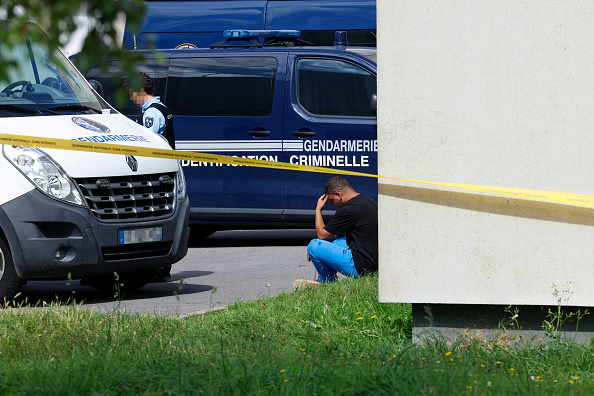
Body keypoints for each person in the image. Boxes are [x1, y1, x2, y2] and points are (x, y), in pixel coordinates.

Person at [127, 72, 176, 282]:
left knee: (156, 220)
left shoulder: (152, 114)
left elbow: (146, 146)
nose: (130, 98)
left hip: (156, 176)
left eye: (131, 93)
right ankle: (161, 266)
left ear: (140, 91)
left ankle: (160, 268)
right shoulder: (161, 109)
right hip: (163, 173)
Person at [295, 176, 378, 289]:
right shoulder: (367, 200)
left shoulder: (348, 209)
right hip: (375, 264)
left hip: (362, 268)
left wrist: (318, 209)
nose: (333, 204)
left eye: (331, 200)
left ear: (338, 195)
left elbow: (321, 234)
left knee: (314, 245)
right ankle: (326, 279)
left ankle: (327, 281)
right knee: (337, 241)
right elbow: (337, 233)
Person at [127, 72, 176, 149]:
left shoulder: (151, 112)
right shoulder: (160, 106)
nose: (131, 98)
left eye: (132, 94)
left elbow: (148, 143)